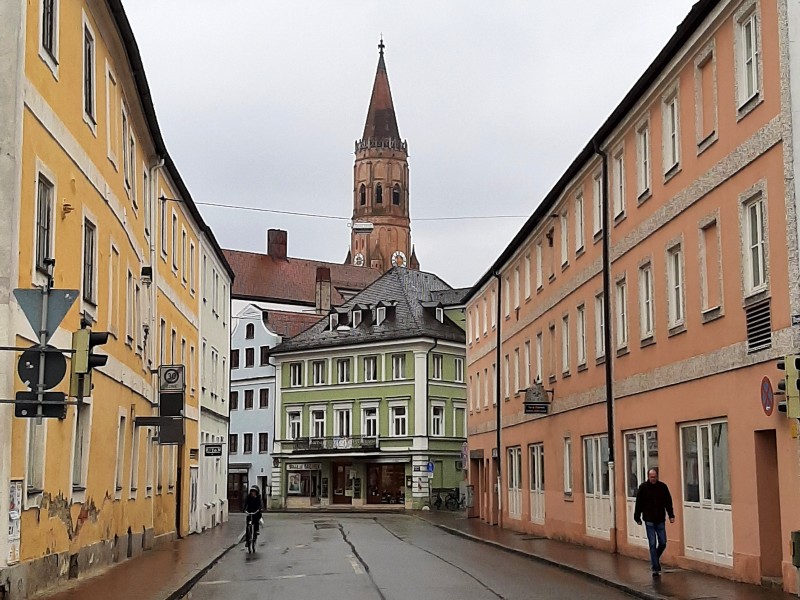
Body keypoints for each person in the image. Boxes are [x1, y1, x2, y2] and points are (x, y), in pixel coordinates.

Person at [634, 468, 675, 576]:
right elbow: (639, 503)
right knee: (652, 543)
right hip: (649, 520)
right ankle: (656, 567)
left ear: (657, 476)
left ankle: (654, 558)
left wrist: (671, 515)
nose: (653, 479)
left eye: (654, 477)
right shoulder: (643, 488)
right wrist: (637, 517)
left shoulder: (662, 487)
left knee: (663, 542)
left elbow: (668, 501)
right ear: (648, 477)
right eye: (651, 477)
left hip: (660, 519)